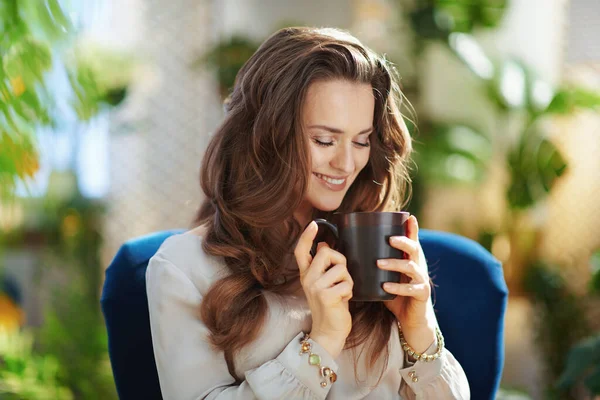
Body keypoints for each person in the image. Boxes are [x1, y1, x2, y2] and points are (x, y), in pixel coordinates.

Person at [146, 26, 470, 399]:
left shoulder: (376, 245)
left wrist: (420, 330)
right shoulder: (183, 269)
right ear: (266, 136)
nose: (347, 163)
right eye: (324, 140)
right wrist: (322, 343)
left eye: (362, 141)